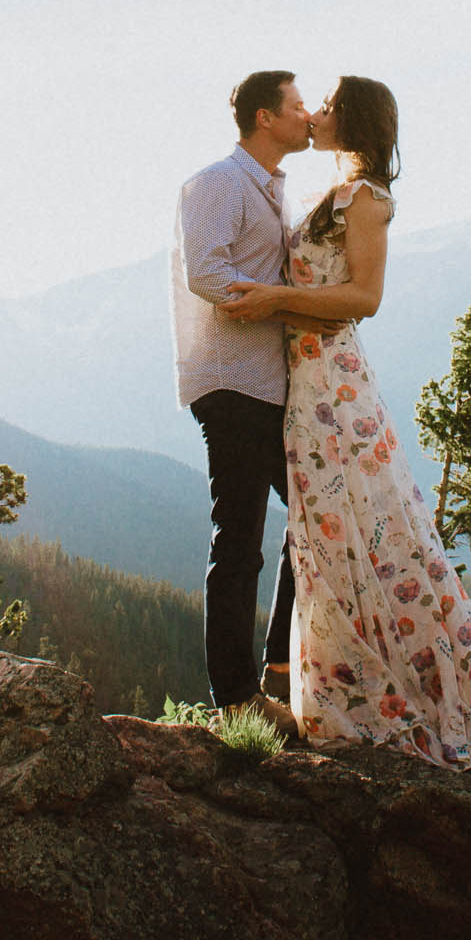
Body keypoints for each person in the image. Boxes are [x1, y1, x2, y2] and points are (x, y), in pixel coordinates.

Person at [217, 76, 471, 767]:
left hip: (333, 387)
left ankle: (380, 687)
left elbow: (363, 297)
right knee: (320, 528)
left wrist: (275, 298)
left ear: (355, 120)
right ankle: (322, 678)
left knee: (344, 525)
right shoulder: (333, 192)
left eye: (329, 104)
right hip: (304, 379)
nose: (315, 111)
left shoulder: (367, 198)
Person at [172, 69, 310, 731]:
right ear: (264, 116)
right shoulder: (218, 181)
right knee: (240, 538)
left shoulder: (270, 187)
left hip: (268, 382)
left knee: (313, 516)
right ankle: (236, 700)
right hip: (230, 381)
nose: (306, 114)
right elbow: (205, 268)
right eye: (296, 104)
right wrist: (276, 301)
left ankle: (278, 669)